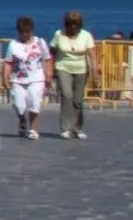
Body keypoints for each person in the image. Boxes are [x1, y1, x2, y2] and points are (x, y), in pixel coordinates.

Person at [51, 10, 95, 140]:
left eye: (75, 24)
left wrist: (95, 72)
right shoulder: (59, 34)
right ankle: (65, 128)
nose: (73, 27)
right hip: (63, 67)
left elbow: (92, 55)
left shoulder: (86, 36)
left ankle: (77, 128)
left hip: (81, 69)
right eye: (70, 24)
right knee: (67, 95)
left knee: (77, 100)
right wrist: (48, 69)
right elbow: (52, 51)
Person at [5, 17, 49, 140]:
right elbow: (8, 62)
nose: (25, 34)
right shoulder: (13, 44)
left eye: (27, 32)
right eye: (22, 32)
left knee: (34, 102)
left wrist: (48, 74)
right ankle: (22, 119)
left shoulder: (40, 42)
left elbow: (47, 58)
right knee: (19, 105)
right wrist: (5, 77)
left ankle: (33, 128)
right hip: (18, 79)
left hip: (36, 77)